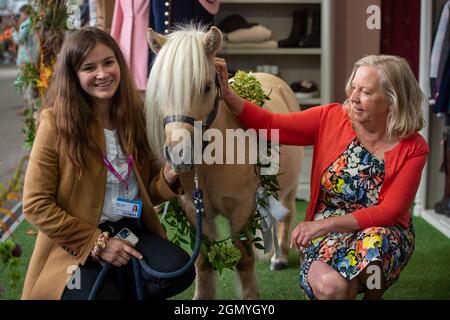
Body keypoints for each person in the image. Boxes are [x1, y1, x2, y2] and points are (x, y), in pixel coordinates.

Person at [215, 55, 429, 300]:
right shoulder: (331, 117)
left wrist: (319, 225)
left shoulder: (414, 147)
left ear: (392, 101)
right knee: (334, 289)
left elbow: (390, 211)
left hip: (380, 232)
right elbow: (271, 124)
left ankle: (373, 295)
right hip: (328, 231)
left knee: (376, 249)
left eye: (366, 92)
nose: (353, 97)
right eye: (354, 86)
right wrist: (229, 95)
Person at [21, 27, 195, 300]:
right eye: (89, 67)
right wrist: (98, 244)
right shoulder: (54, 123)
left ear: (119, 64)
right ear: (74, 76)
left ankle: (119, 280)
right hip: (75, 244)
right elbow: (35, 204)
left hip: (131, 230)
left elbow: (148, 193)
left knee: (178, 271)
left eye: (108, 62)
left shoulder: (136, 116)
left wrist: (169, 177)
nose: (102, 74)